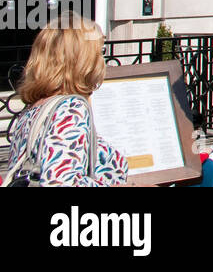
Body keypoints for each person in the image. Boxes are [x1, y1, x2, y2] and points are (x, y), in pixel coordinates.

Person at [3, 15, 128, 187]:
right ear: (83, 60)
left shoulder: (33, 110)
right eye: (99, 52)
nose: (102, 60)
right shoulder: (70, 109)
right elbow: (60, 183)